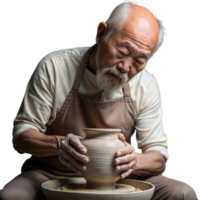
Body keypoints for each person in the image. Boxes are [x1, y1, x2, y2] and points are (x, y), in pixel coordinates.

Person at [1, 1, 198, 200]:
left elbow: (158, 157)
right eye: (122, 52)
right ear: (101, 33)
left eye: (139, 61)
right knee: (14, 195)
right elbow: (20, 137)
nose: (125, 67)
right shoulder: (54, 67)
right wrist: (60, 145)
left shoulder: (146, 84)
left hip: (119, 178)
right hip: (55, 175)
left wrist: (135, 160)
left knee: (182, 193)